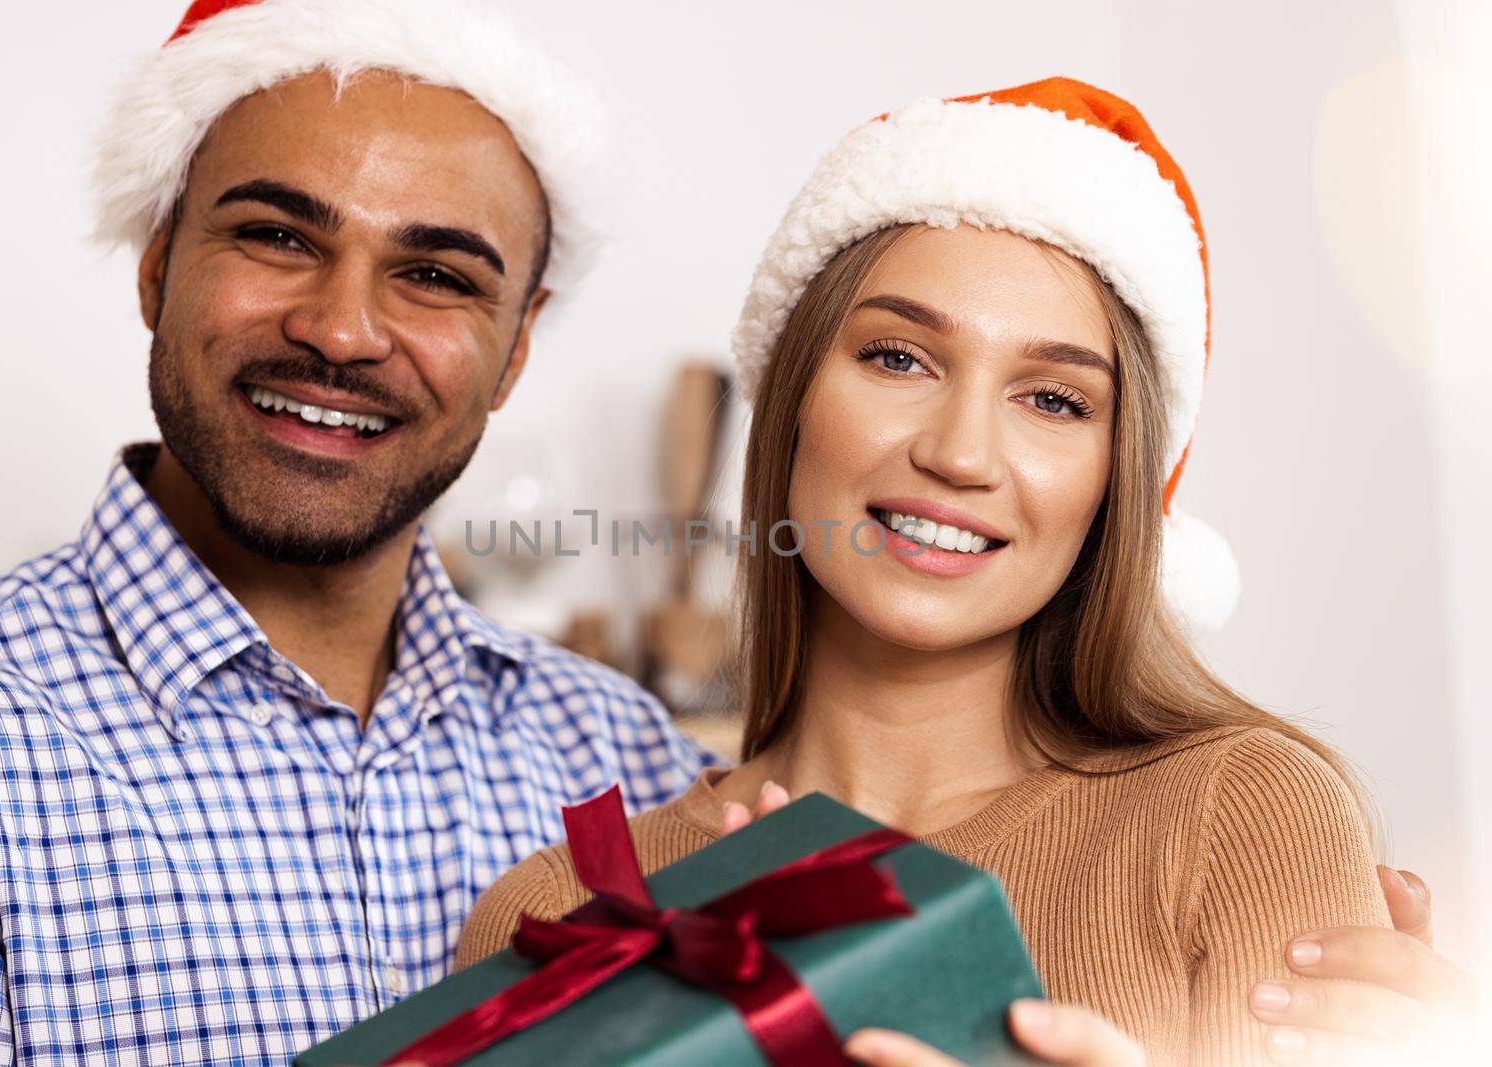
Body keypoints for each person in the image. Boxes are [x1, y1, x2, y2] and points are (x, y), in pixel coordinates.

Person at [454, 79, 1479, 1065]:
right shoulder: (561, 913)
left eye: (1054, 400)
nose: (960, 454)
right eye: (899, 358)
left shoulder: (1239, 812)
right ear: (793, 395)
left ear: (1112, 481)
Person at [0, 2, 717, 1063]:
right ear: (157, 268)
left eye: (435, 276)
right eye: (278, 236)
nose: (339, 330)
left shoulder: (621, 754)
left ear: (514, 351)